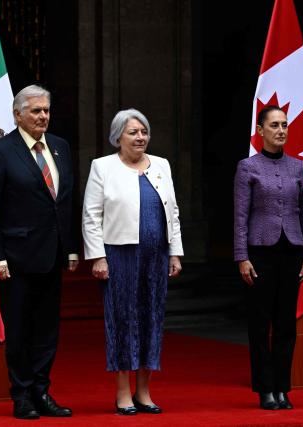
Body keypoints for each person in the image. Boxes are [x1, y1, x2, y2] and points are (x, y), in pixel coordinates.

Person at [0, 85, 78, 420]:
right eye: (36, 111)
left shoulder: (61, 147)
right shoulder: (1, 151)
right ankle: (21, 395)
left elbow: (65, 202)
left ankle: (42, 390)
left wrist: (72, 248)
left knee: (47, 330)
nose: (43, 117)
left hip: (53, 254)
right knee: (19, 329)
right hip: (16, 258)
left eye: (46, 110)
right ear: (17, 114)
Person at [82, 108, 183, 415]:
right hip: (119, 255)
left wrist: (175, 251)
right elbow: (91, 216)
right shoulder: (102, 167)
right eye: (133, 132)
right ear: (118, 137)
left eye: (144, 132)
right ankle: (123, 392)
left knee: (151, 318)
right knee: (124, 320)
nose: (141, 138)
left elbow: (173, 212)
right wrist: (98, 256)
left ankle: (144, 391)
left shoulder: (162, 165)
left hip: (156, 256)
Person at [233, 105, 303, 411]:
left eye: (284, 125)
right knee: (259, 323)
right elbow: (241, 215)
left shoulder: (298, 167)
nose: (281, 130)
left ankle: (283, 388)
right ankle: (265, 389)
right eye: (274, 125)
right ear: (260, 130)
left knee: (286, 324)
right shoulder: (247, 167)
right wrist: (242, 256)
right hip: (259, 252)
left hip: (292, 251)